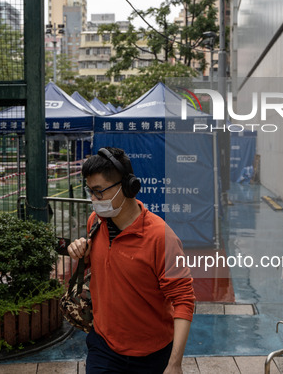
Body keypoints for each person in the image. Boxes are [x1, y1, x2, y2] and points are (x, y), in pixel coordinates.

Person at [67, 147, 195, 374]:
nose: (94, 199)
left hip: (153, 355)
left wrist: (174, 364)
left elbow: (183, 301)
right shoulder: (95, 222)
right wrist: (83, 255)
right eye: (90, 192)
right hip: (103, 346)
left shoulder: (160, 237)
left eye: (99, 191)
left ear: (128, 187)